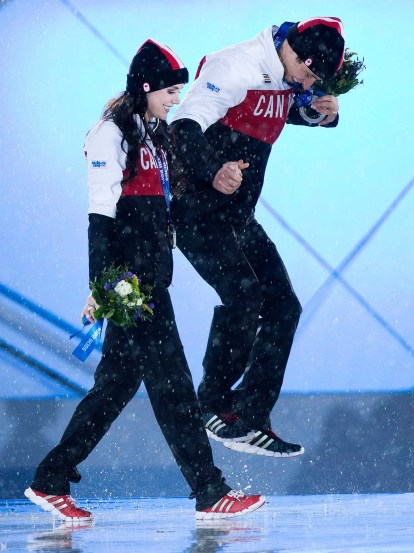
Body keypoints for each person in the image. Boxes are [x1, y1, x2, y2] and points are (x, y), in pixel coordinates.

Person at [24, 39, 265, 522]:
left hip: (153, 279)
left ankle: (50, 480)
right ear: (147, 87)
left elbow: (164, 207)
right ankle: (210, 491)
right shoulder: (109, 134)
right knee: (173, 386)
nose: (176, 100)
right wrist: (102, 287)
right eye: (171, 91)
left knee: (114, 386)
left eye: (180, 92)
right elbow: (101, 217)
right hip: (132, 287)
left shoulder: (152, 133)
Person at [169, 17, 345, 457]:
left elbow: (282, 110)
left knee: (284, 306)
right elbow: (183, 126)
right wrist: (214, 169)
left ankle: (249, 417)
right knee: (245, 295)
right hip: (198, 211)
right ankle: (210, 404)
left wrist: (321, 115)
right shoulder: (235, 66)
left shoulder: (286, 72)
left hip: (238, 217)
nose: (307, 83)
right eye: (309, 75)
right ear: (298, 56)